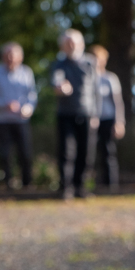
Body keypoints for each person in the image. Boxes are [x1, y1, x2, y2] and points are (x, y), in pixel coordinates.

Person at [50, 29, 100, 199]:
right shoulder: (59, 64)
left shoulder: (90, 63)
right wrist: (60, 87)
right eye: (67, 43)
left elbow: (96, 91)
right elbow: (57, 80)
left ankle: (81, 187)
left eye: (74, 42)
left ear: (81, 44)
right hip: (65, 114)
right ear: (62, 46)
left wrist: (96, 115)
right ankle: (66, 187)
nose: (71, 46)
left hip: (86, 113)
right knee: (66, 151)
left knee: (86, 153)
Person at [0, 42, 37, 188]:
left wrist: (28, 108)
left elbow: (32, 96)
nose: (11, 58)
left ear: (21, 57)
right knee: (4, 154)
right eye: (8, 55)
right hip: (1, 120)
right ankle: (8, 184)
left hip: (21, 120)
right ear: (2, 57)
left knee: (25, 153)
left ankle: (27, 184)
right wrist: (4, 104)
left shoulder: (26, 72)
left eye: (14, 55)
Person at [89, 45, 125, 191]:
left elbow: (118, 102)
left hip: (108, 120)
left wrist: (119, 122)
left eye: (99, 59)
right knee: (89, 154)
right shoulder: (87, 79)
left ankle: (110, 186)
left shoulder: (110, 78)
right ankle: (91, 185)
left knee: (108, 152)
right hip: (90, 121)